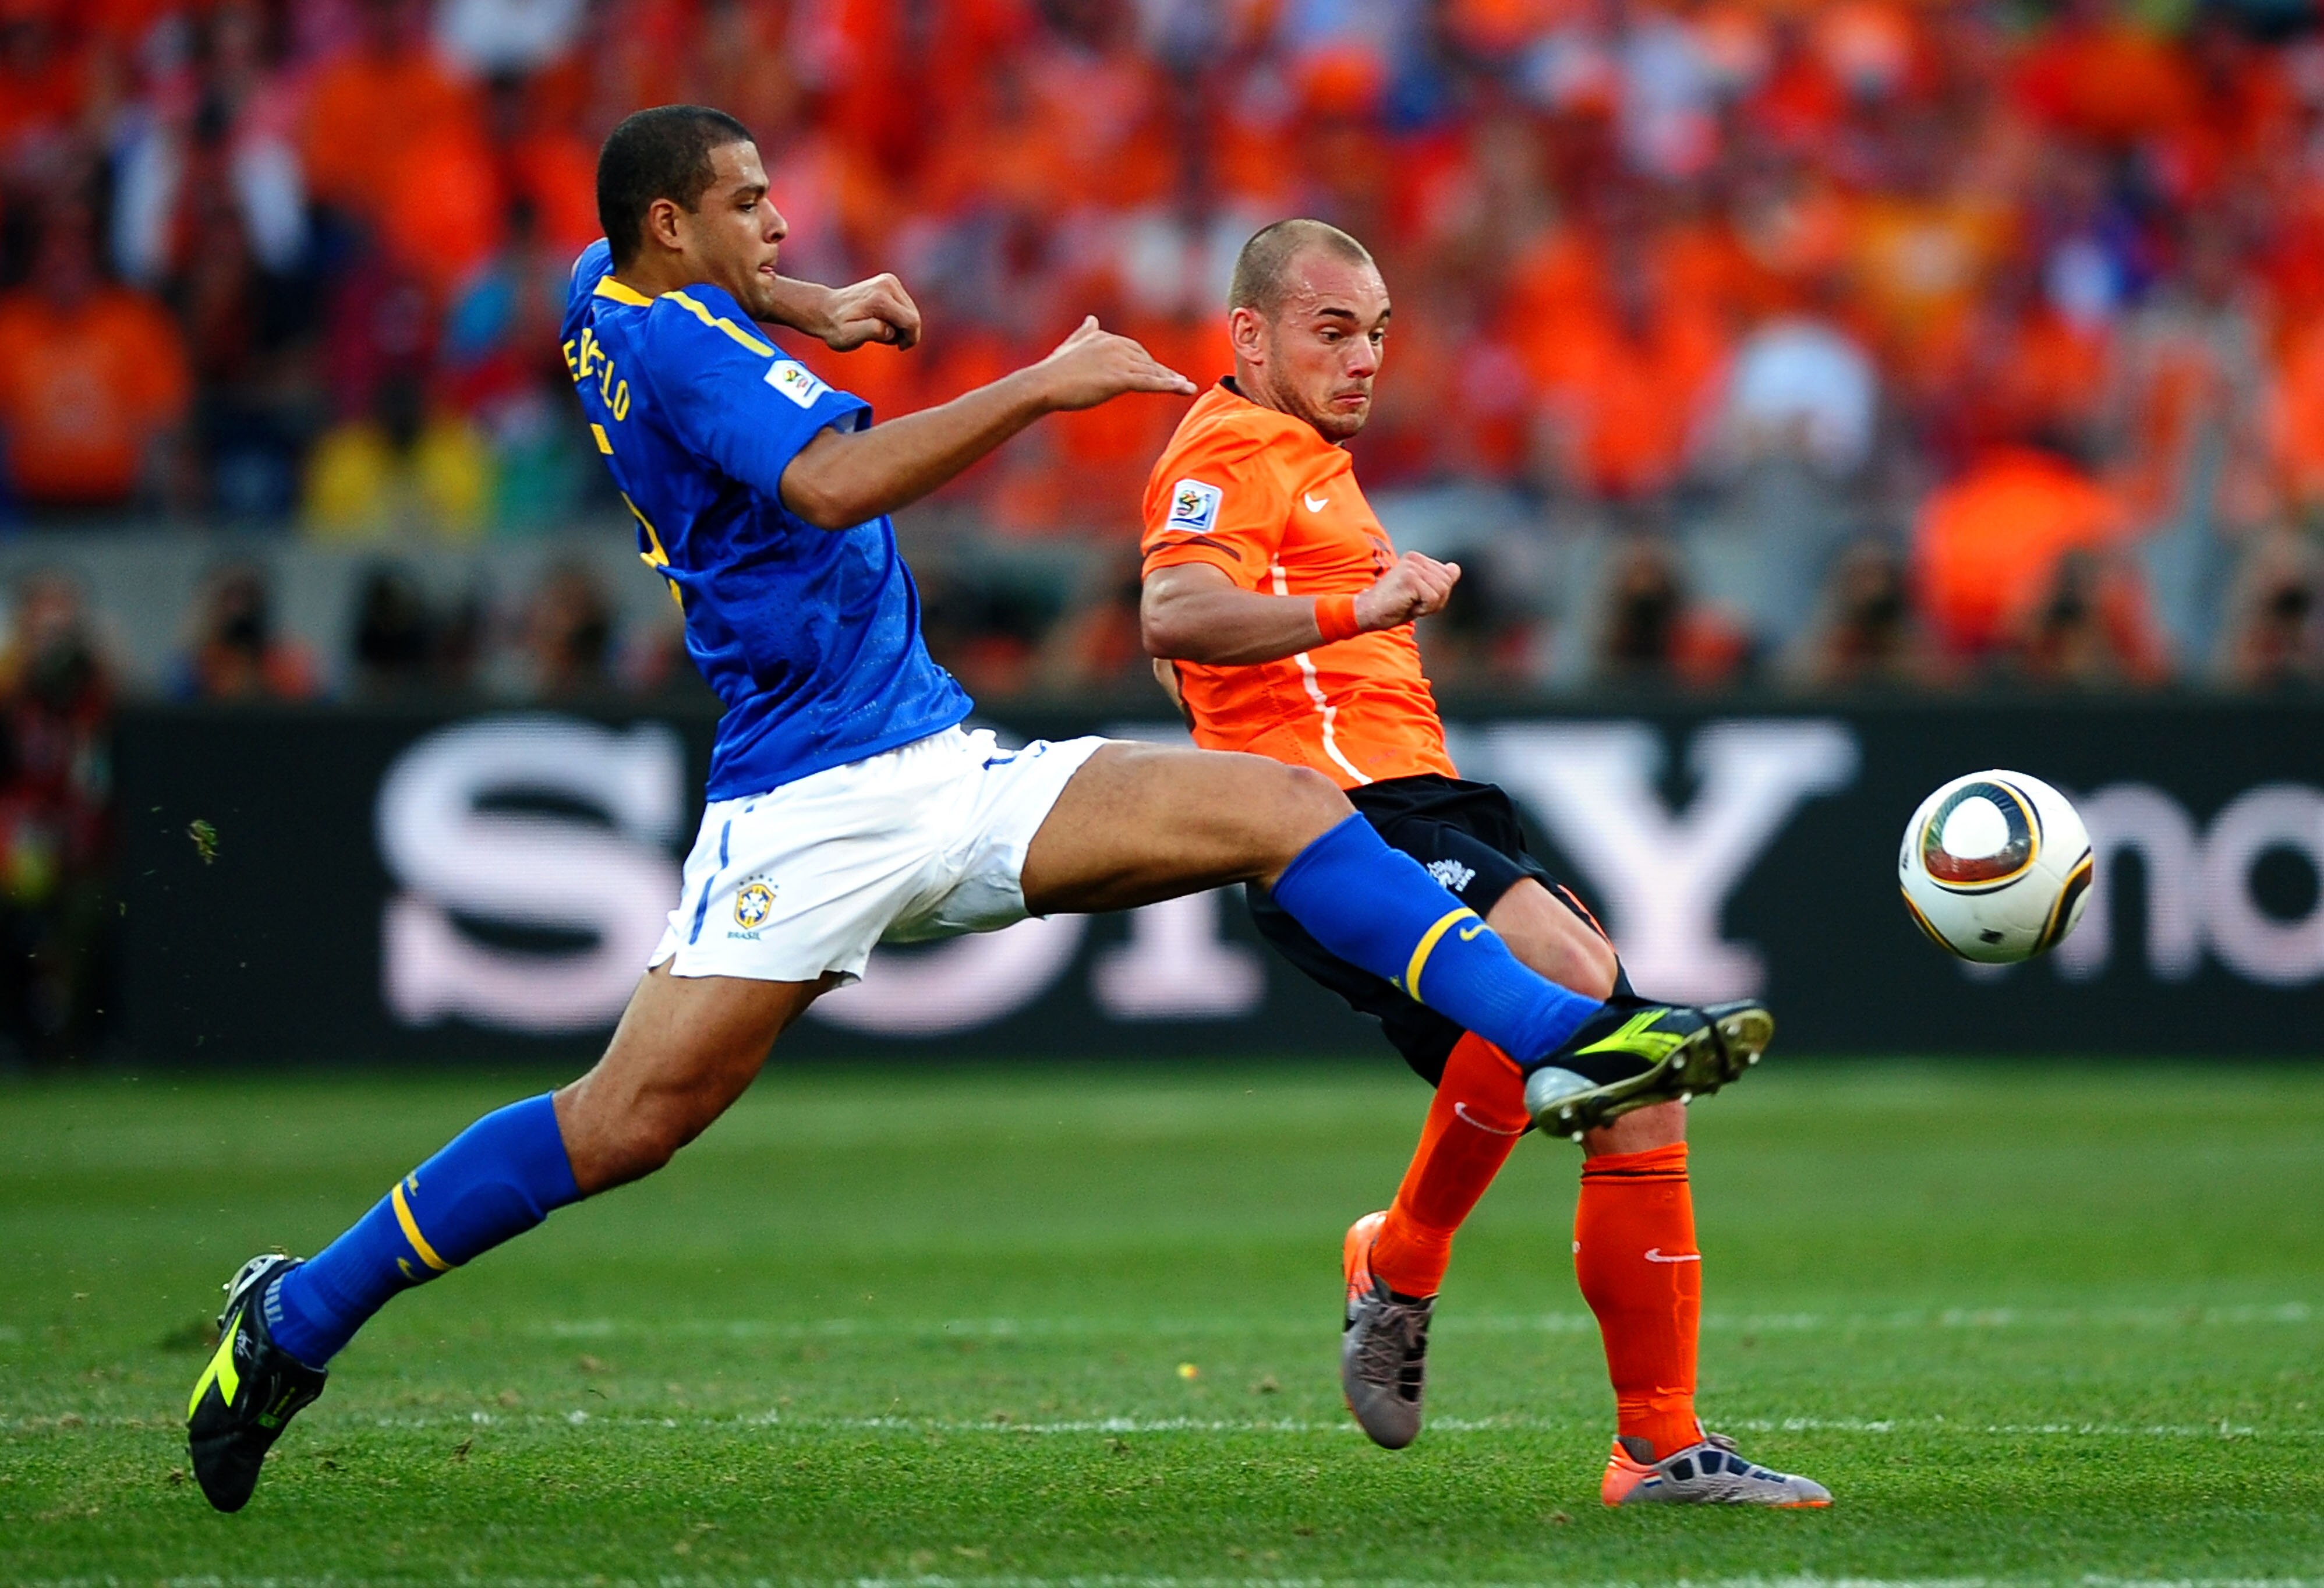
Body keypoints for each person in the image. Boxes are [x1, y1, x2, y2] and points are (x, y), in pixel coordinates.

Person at [183, 107, 1769, 1514]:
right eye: (748, 206)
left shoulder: (607, 296)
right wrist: (1041, 386)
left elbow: (620, 282)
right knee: (622, 1125)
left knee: (1282, 805)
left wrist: (804, 302)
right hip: (805, 803)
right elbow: (829, 486)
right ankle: (295, 1316)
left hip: (943, 763)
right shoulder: (681, 348)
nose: (779, 222)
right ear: (672, 224)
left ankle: (1570, 1035)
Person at [1138, 218, 1827, 1508]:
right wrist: (1361, 606)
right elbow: (1172, 609)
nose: (1363, 358)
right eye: (1332, 331)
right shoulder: (1232, 441)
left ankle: (1619, 1417)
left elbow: (1192, 637)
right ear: (1249, 335)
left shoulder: (1309, 459)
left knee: (1629, 1079)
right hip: (1334, 822)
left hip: (1424, 793)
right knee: (1583, 993)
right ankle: (1447, 1294)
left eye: (1377, 333)